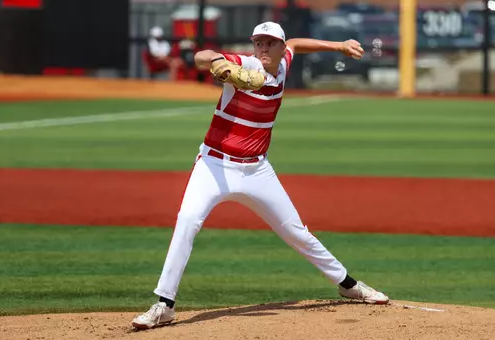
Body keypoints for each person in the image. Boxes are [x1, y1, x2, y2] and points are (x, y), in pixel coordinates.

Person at [131, 21, 389, 331]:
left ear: (281, 48)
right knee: (188, 221)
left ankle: (347, 284)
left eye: (269, 43)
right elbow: (203, 55)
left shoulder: (283, 64)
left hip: (256, 169)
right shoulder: (246, 65)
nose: (263, 49)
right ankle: (164, 305)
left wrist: (338, 46)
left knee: (295, 232)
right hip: (214, 165)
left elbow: (297, 43)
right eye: (259, 43)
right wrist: (217, 62)